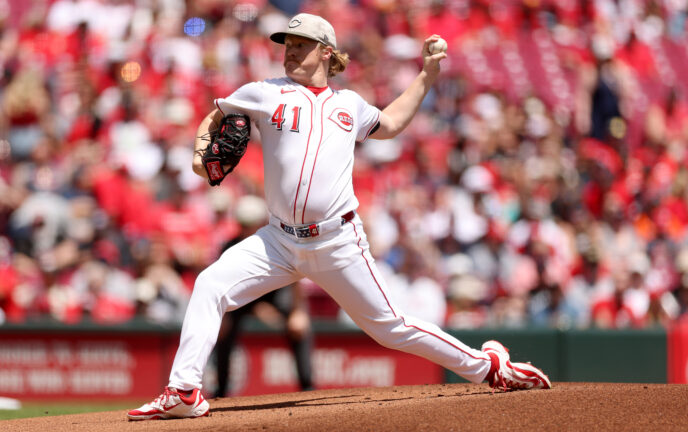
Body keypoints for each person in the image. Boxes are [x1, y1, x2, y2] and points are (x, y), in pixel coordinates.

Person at [127, 13, 551, 421]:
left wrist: (426, 77)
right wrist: (202, 158)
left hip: (336, 240)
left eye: (300, 45)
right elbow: (216, 114)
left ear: (327, 52)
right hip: (277, 241)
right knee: (210, 285)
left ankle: (489, 366)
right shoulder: (264, 91)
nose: (290, 52)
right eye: (287, 45)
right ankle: (184, 391)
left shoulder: (349, 104)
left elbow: (389, 124)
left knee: (390, 328)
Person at [213, 195, 313, 397]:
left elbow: (295, 280)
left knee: (299, 327)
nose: (246, 229)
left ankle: (307, 387)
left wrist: (298, 312)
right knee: (222, 329)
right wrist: (221, 316)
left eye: (250, 224)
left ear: (262, 222)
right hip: (243, 300)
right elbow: (220, 286)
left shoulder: (278, 243)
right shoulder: (229, 246)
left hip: (275, 295)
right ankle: (221, 391)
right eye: (243, 224)